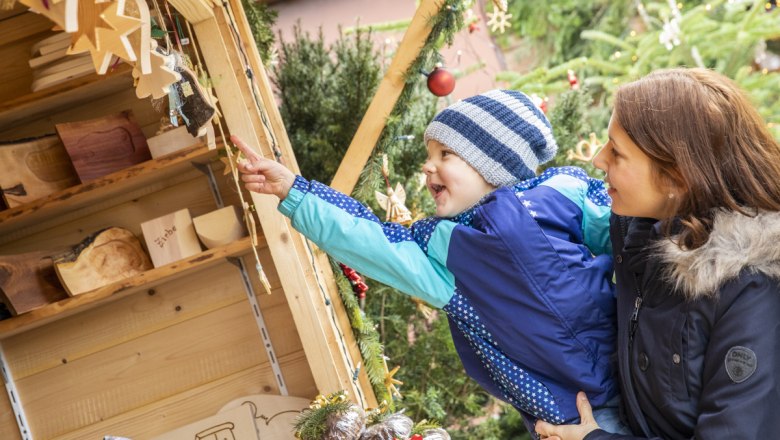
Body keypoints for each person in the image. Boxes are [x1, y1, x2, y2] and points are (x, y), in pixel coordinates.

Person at [234, 89, 627, 433]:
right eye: (428, 155)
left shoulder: (560, 192)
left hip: (638, 368)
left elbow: (629, 228)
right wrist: (295, 191)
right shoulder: (440, 250)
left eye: (445, 153)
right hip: (576, 416)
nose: (427, 166)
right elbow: (368, 240)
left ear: (490, 162)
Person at [535, 67, 780, 439]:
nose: (598, 160)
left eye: (617, 153)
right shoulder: (640, 229)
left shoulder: (751, 290)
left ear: (677, 177)